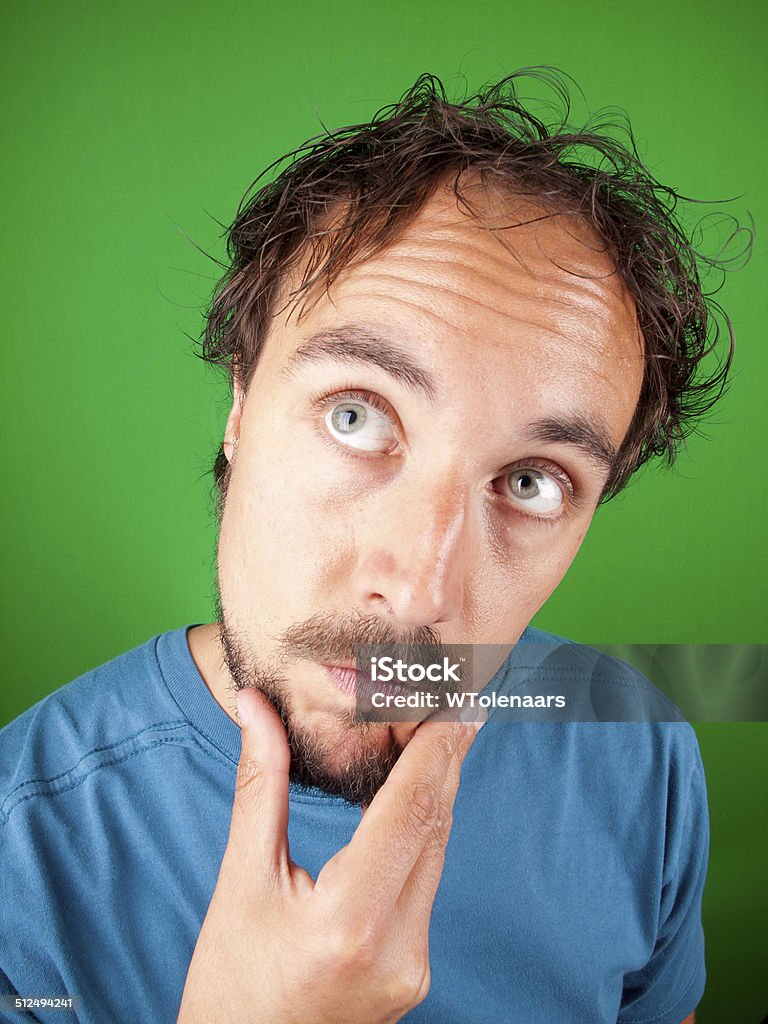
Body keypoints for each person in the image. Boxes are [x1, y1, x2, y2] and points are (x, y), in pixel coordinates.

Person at [0, 70, 735, 1023]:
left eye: (531, 482)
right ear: (240, 403)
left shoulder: (641, 757)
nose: (420, 593)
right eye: (356, 415)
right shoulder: (21, 851)